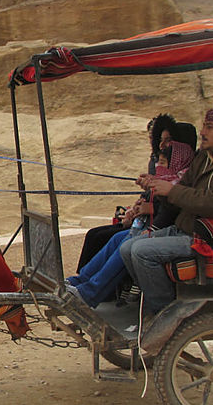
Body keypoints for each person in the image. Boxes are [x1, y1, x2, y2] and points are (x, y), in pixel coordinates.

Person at [119, 107, 213, 322]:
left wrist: (172, 190)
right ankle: (157, 302)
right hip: (189, 229)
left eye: (210, 127)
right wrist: (157, 186)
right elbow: (182, 189)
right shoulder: (206, 158)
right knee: (127, 247)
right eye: (204, 126)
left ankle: (164, 317)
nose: (203, 132)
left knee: (142, 251)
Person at [66, 131, 194, 307]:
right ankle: (81, 280)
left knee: (129, 244)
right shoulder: (169, 178)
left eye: (163, 163)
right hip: (152, 222)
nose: (159, 167)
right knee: (115, 238)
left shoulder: (181, 181)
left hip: (167, 227)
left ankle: (91, 292)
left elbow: (170, 210)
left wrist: (151, 213)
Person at [76, 114, 183, 270]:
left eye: (167, 140)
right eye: (159, 140)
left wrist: (150, 209)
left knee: (123, 243)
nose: (162, 145)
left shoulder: (181, 170)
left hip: (158, 224)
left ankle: (94, 287)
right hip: (146, 218)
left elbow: (174, 207)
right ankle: (83, 280)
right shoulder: (157, 160)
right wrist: (137, 207)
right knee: (96, 235)